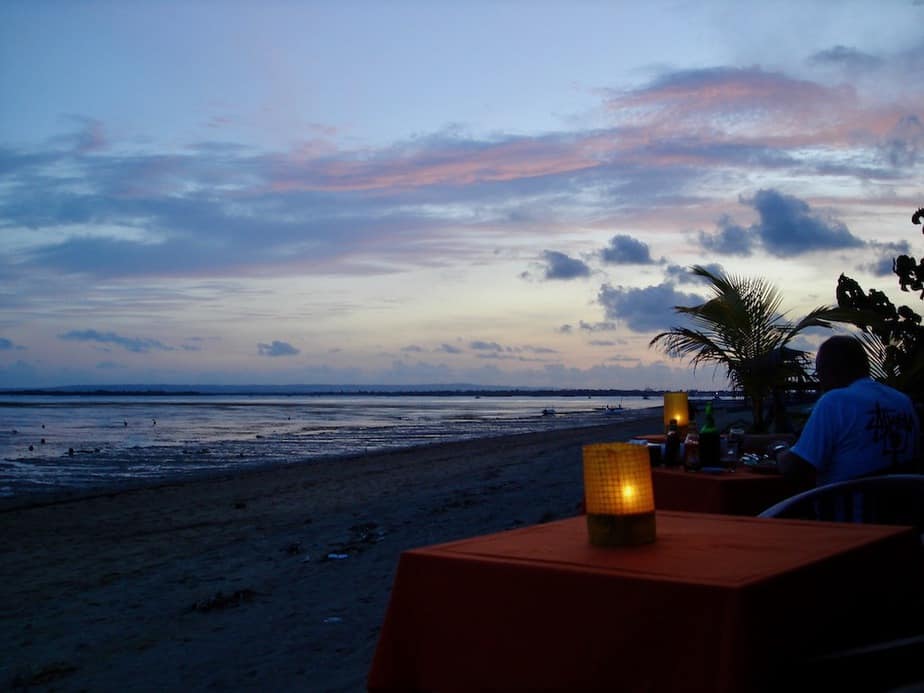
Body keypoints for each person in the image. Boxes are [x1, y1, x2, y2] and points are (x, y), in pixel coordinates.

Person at [778, 335, 920, 486]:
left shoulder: (835, 401)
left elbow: (795, 467)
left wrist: (778, 450)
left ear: (829, 370)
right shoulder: (902, 401)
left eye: (818, 372)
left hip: (848, 506)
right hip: (902, 505)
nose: (820, 381)